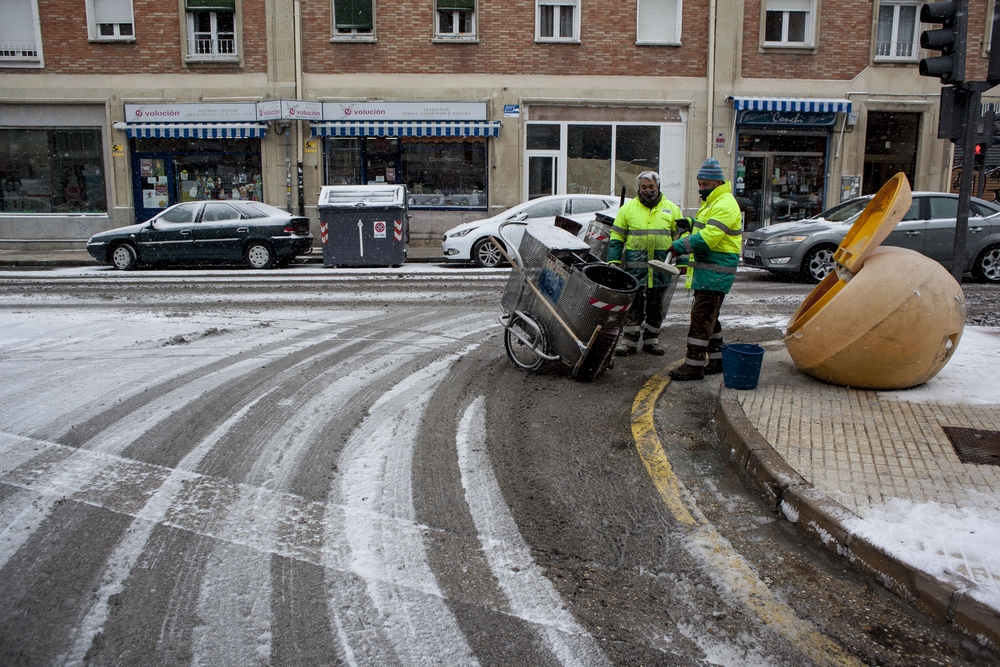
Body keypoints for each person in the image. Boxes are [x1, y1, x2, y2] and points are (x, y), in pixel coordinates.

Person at [668, 157, 742, 381]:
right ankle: (717, 360)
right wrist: (690, 223)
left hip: (715, 273)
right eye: (700, 184)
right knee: (711, 318)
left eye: (705, 185)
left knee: (701, 320)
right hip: (710, 274)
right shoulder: (714, 202)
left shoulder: (724, 204)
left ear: (718, 183)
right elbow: (706, 227)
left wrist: (679, 245)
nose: (702, 188)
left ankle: (694, 366)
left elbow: (709, 238)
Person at [607, 170, 682, 356]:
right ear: (638, 188)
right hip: (634, 270)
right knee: (633, 306)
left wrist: (683, 262)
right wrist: (614, 260)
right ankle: (628, 343)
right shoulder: (628, 209)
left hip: (660, 270)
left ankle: (651, 341)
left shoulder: (672, 209)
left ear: (658, 187)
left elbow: (681, 236)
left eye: (651, 187)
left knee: (656, 307)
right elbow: (616, 236)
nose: (647, 190)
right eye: (644, 187)